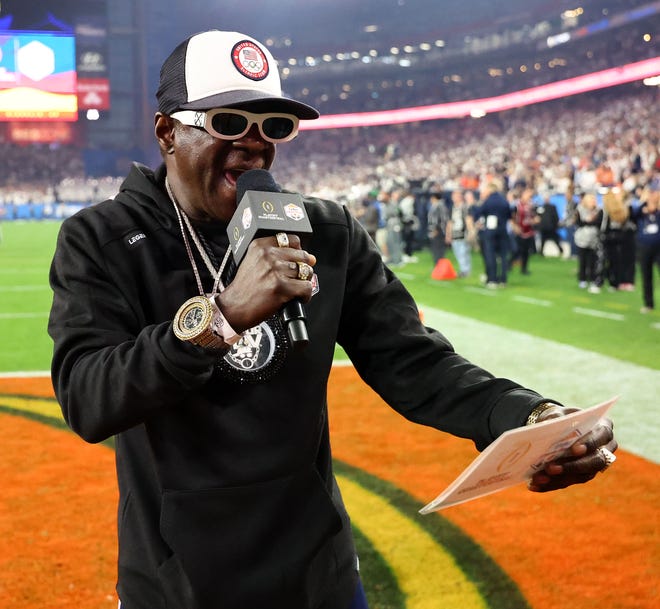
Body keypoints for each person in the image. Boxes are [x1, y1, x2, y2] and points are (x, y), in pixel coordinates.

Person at [47, 29, 618, 609]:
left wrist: (528, 418)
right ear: (168, 131)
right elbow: (89, 399)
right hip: (179, 581)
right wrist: (223, 315)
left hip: (317, 573)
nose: (254, 146)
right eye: (228, 123)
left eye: (272, 126)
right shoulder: (102, 239)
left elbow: (413, 361)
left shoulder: (324, 230)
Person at [631, 179, 660, 313]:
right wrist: (644, 201)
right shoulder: (641, 212)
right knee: (646, 275)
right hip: (644, 246)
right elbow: (632, 214)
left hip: (658, 247)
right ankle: (648, 303)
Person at [475, 180, 511, 288]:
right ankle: (503, 279)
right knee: (503, 256)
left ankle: (492, 279)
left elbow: (478, 213)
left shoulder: (488, 201)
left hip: (490, 231)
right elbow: (509, 214)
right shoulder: (504, 201)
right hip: (503, 230)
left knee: (490, 255)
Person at [445, 189, 473, 277]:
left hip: (463, 232)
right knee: (457, 252)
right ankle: (463, 269)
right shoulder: (452, 208)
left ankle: (465, 270)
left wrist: (470, 231)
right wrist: (448, 234)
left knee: (463, 252)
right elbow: (449, 222)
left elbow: (468, 219)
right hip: (454, 233)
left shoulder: (464, 207)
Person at [509, 186, 537, 276]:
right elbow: (511, 216)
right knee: (516, 250)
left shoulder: (530, 205)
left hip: (528, 230)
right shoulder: (516, 205)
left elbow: (533, 216)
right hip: (519, 230)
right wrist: (514, 226)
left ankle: (524, 268)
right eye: (528, 194)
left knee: (526, 251)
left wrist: (534, 220)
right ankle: (508, 264)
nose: (529, 196)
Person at [426, 192, 449, 264]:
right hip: (435, 230)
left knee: (438, 248)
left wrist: (436, 229)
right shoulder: (436, 206)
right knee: (435, 248)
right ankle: (437, 265)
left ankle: (439, 265)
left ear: (434, 198)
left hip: (438, 231)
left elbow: (441, 219)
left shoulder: (439, 206)